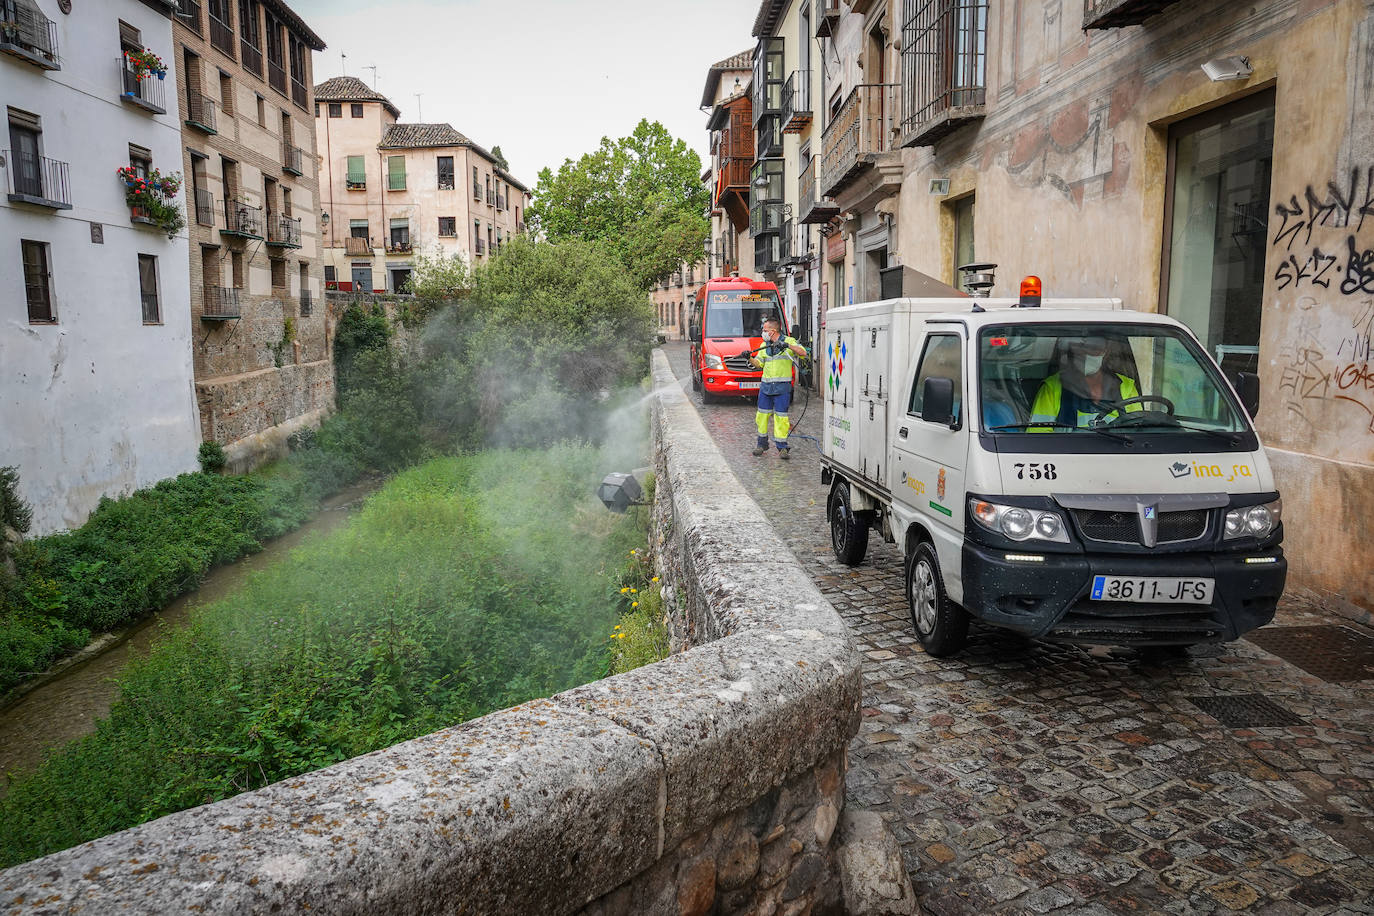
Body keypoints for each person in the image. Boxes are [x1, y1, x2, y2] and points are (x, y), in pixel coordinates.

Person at [1029, 336, 1141, 428]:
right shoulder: (1052, 387)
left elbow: (1138, 428)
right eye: (1081, 348)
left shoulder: (1126, 385)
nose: (1086, 354)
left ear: (1105, 351)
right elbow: (1038, 436)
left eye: (1094, 348)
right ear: (1071, 351)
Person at [750, 318, 807, 458]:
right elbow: (758, 364)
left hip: (782, 389)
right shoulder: (765, 345)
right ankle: (761, 444)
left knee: (781, 418)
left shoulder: (789, 341)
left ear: (772, 331)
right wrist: (749, 358)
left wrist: (787, 345)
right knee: (762, 416)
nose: (762, 333)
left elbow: (803, 352)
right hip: (766, 388)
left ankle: (782, 447)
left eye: (764, 330)